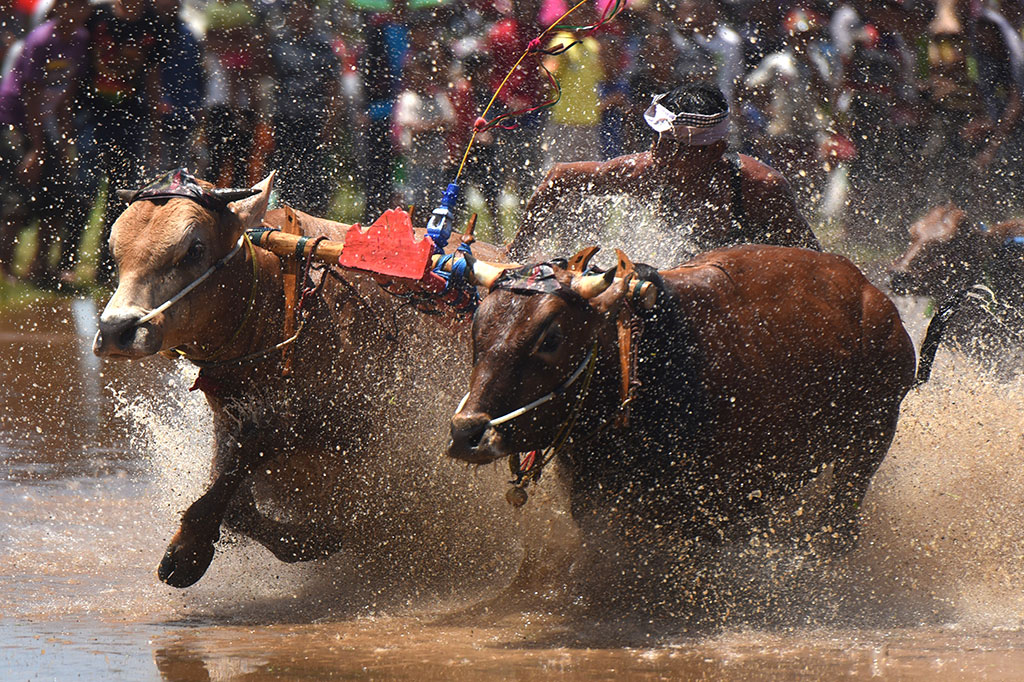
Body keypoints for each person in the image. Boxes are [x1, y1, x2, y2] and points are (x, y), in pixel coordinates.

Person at [508, 81, 820, 260]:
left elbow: (814, 263)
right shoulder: (645, 172)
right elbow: (560, 177)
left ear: (715, 151)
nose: (660, 155)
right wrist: (517, 252)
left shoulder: (760, 188)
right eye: (660, 141)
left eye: (677, 147)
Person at [0, 0, 90, 285]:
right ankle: (4, 267)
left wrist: (65, 140)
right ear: (60, 8)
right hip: (15, 120)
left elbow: (66, 94)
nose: (78, 13)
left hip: (45, 123)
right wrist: (36, 150)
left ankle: (39, 267)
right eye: (72, 6)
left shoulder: (80, 40)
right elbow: (31, 97)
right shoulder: (41, 40)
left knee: (57, 194)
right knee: (17, 197)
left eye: (83, 7)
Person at [268, 0, 339, 215]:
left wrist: (331, 121)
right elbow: (267, 78)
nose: (302, 15)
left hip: (313, 117)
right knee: (286, 170)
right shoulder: (278, 42)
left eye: (306, 10)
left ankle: (315, 215)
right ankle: (286, 214)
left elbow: (332, 86)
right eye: (297, 10)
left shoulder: (322, 44)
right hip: (285, 116)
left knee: (314, 171)